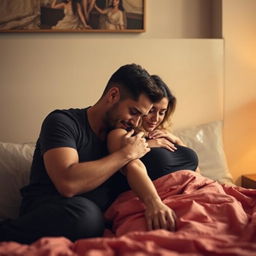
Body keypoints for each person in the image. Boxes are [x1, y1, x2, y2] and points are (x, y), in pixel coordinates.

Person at [0, 64, 163, 244]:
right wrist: (126, 154)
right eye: (133, 112)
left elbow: (135, 166)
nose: (136, 122)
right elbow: (68, 183)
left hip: (96, 216)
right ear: (113, 95)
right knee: (87, 216)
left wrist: (154, 201)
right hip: (54, 209)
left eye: (142, 116)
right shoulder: (62, 122)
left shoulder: (119, 133)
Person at [107, 75, 199, 232]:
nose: (156, 118)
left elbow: (195, 171)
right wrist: (155, 203)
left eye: (162, 112)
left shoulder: (165, 136)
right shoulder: (123, 135)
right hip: (160, 199)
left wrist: (177, 140)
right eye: (151, 111)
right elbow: (132, 166)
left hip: (198, 192)